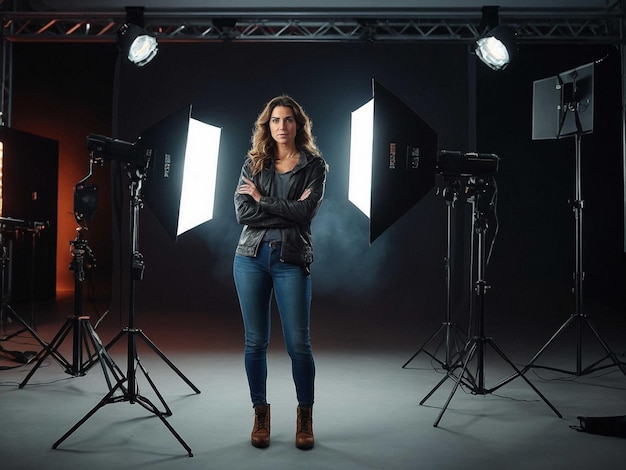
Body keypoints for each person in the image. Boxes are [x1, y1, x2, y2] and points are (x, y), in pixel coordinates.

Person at [233, 95, 327, 450]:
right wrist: (286, 207)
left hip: (291, 260)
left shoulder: (314, 166)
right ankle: (260, 414)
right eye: (275, 120)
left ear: (298, 125)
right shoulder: (253, 163)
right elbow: (243, 212)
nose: (282, 126)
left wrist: (264, 200)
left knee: (298, 346)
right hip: (250, 258)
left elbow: (306, 215)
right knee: (254, 342)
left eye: (288, 120)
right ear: (267, 125)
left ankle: (305, 417)